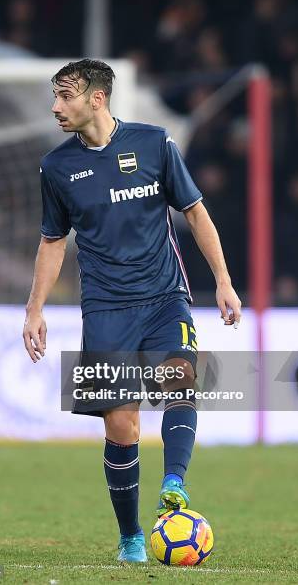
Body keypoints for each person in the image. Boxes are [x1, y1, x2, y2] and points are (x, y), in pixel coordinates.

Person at [23, 59, 241, 563]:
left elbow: (194, 211)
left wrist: (224, 281)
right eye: (54, 97)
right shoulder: (55, 167)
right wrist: (34, 310)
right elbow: (53, 242)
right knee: (121, 426)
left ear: (97, 99)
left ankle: (174, 485)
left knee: (180, 380)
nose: (56, 107)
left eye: (66, 97)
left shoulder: (155, 143)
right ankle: (131, 537)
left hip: (166, 296)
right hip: (105, 308)